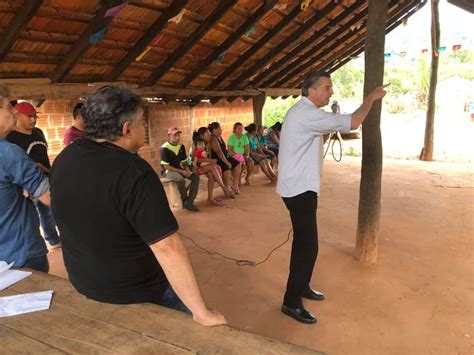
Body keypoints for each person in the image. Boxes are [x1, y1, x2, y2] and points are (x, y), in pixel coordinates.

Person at [49, 86, 226, 326]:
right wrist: (202, 312)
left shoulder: (65, 158)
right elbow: (167, 248)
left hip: (83, 281)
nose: (144, 128)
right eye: (142, 122)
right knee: (194, 325)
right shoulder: (134, 171)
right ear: (127, 129)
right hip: (134, 290)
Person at [277, 71, 388, 324]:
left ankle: (301, 286)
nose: (330, 92)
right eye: (326, 87)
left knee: (304, 243)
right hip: (299, 189)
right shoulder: (307, 114)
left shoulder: (303, 112)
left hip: (298, 186)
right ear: (310, 91)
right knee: (308, 246)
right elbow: (354, 122)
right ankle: (290, 302)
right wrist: (371, 98)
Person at [0, 96, 51, 272]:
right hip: (21, 252)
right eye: (8, 107)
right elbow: (50, 198)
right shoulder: (8, 152)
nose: (14, 112)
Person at [6, 102, 61, 249]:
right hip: (25, 185)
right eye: (29, 117)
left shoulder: (38, 132)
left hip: (45, 177)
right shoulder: (11, 138)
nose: (33, 120)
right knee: (31, 216)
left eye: (34, 117)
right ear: (18, 116)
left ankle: (53, 240)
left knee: (48, 213)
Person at [161, 127, 200, 212]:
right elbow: (166, 166)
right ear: (169, 136)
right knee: (180, 179)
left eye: (178, 135)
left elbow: (184, 162)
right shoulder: (164, 148)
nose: (177, 137)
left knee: (195, 177)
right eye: (175, 135)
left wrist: (187, 170)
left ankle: (190, 202)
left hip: (179, 169)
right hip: (168, 171)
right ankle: (184, 199)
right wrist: (182, 171)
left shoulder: (181, 146)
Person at [192, 137, 234, 207]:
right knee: (213, 167)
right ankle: (224, 188)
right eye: (199, 145)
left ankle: (210, 198)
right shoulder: (197, 152)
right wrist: (196, 166)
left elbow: (206, 159)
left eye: (203, 144)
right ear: (196, 146)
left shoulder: (205, 150)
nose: (201, 146)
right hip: (199, 169)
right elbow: (196, 161)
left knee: (211, 175)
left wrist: (209, 160)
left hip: (206, 168)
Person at [208, 122, 242, 194]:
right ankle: (227, 188)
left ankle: (235, 185)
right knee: (226, 168)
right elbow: (219, 152)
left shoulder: (219, 137)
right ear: (214, 130)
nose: (221, 130)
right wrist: (226, 162)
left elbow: (223, 149)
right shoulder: (213, 138)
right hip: (219, 159)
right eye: (220, 128)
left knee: (238, 164)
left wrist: (229, 155)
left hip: (225, 156)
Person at [227, 122, 252, 186]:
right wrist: (237, 155)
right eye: (239, 128)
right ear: (234, 129)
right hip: (233, 155)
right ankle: (237, 180)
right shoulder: (232, 137)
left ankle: (244, 178)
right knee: (239, 164)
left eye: (241, 128)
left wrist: (247, 155)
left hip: (243, 155)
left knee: (250, 162)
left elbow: (247, 147)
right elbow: (229, 150)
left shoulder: (244, 137)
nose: (241, 130)